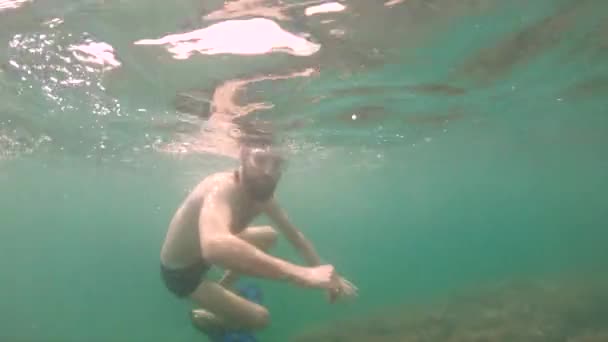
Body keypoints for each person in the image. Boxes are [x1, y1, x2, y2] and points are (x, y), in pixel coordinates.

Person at [159, 145, 357, 334]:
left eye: (277, 164)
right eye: (260, 159)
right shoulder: (221, 188)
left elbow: (296, 237)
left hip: (201, 256)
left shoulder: (262, 196)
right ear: (243, 157)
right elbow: (214, 246)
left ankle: (223, 288)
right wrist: (303, 275)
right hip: (182, 274)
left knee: (268, 236)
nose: (268, 172)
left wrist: (329, 277)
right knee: (261, 319)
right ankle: (213, 320)